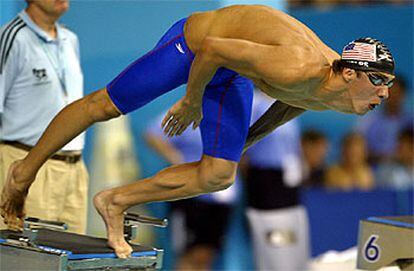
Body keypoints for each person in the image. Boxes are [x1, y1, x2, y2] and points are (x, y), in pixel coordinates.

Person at [0, 5, 395, 258]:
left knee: (219, 174)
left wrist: (246, 141)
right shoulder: (297, 65)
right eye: (378, 80)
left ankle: (115, 200)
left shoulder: (338, 95)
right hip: (197, 43)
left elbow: (294, 103)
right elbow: (212, 48)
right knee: (104, 105)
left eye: (388, 84)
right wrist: (192, 99)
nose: (384, 91)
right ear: (348, 73)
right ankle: (24, 172)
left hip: (233, 66)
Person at [0, 0, 87, 233]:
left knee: (74, 263)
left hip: (74, 169)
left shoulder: (70, 39)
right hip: (26, 164)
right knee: (24, 262)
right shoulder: (12, 37)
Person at [145, 113, 237, 270]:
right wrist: (178, 161)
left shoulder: (230, 116)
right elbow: (153, 135)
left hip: (221, 200)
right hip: (191, 198)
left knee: (207, 254)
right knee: (190, 254)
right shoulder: (190, 113)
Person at [242, 90, 309, 271]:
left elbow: (294, 145)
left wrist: (302, 164)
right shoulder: (254, 103)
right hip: (265, 182)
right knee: (273, 235)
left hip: (289, 182)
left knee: (293, 231)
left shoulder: (288, 101)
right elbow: (241, 143)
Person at [355, 75, 412, 165]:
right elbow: (357, 148)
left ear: (403, 95)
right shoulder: (369, 120)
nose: (393, 98)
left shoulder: (410, 121)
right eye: (391, 93)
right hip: (374, 170)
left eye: (397, 93)